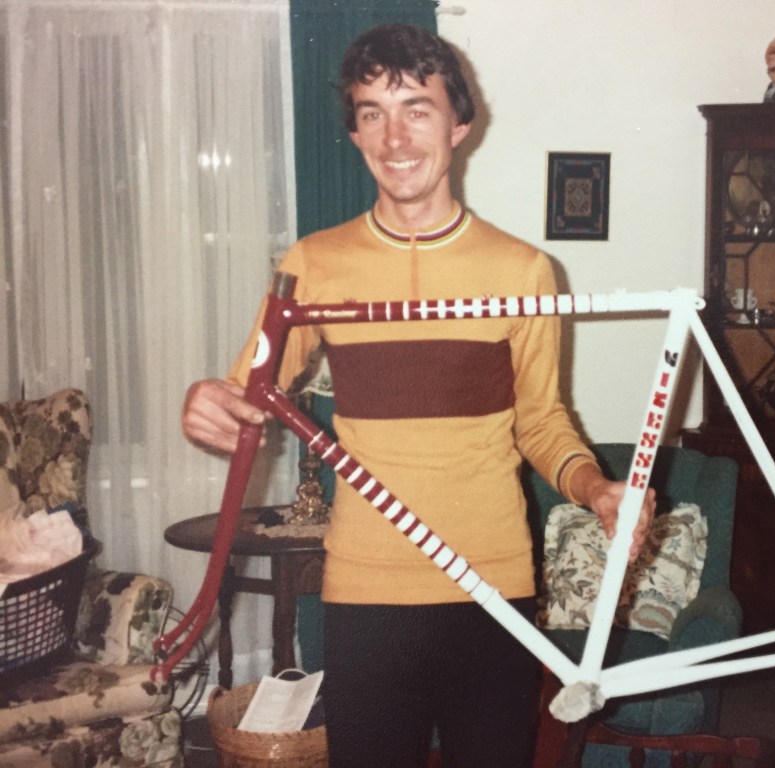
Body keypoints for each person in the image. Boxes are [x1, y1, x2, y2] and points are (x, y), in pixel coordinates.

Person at [181, 22, 654, 768]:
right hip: (364, 591)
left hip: (493, 586)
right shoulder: (312, 264)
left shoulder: (523, 270)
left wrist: (596, 488)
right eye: (372, 112)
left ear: (459, 124)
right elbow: (249, 396)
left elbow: (541, 421)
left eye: (416, 109)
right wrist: (208, 403)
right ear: (355, 134)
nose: (394, 136)